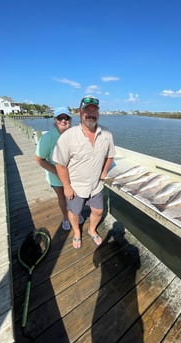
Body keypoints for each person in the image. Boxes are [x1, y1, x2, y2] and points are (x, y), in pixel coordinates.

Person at [53, 96, 115, 249]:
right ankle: (76, 233)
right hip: (76, 186)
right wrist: (66, 187)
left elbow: (110, 155)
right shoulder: (68, 136)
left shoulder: (107, 134)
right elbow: (60, 165)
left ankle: (92, 230)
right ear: (80, 113)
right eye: (87, 110)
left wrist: (104, 171)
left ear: (98, 113)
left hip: (96, 185)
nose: (91, 114)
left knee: (99, 211)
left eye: (94, 110)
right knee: (74, 213)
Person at [35, 107, 74, 231]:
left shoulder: (73, 135)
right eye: (60, 118)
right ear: (55, 120)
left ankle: (75, 215)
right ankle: (66, 218)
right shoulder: (48, 138)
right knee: (62, 197)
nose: (63, 120)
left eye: (66, 118)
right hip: (55, 175)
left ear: (70, 120)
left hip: (72, 173)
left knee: (73, 197)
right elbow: (39, 159)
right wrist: (57, 172)